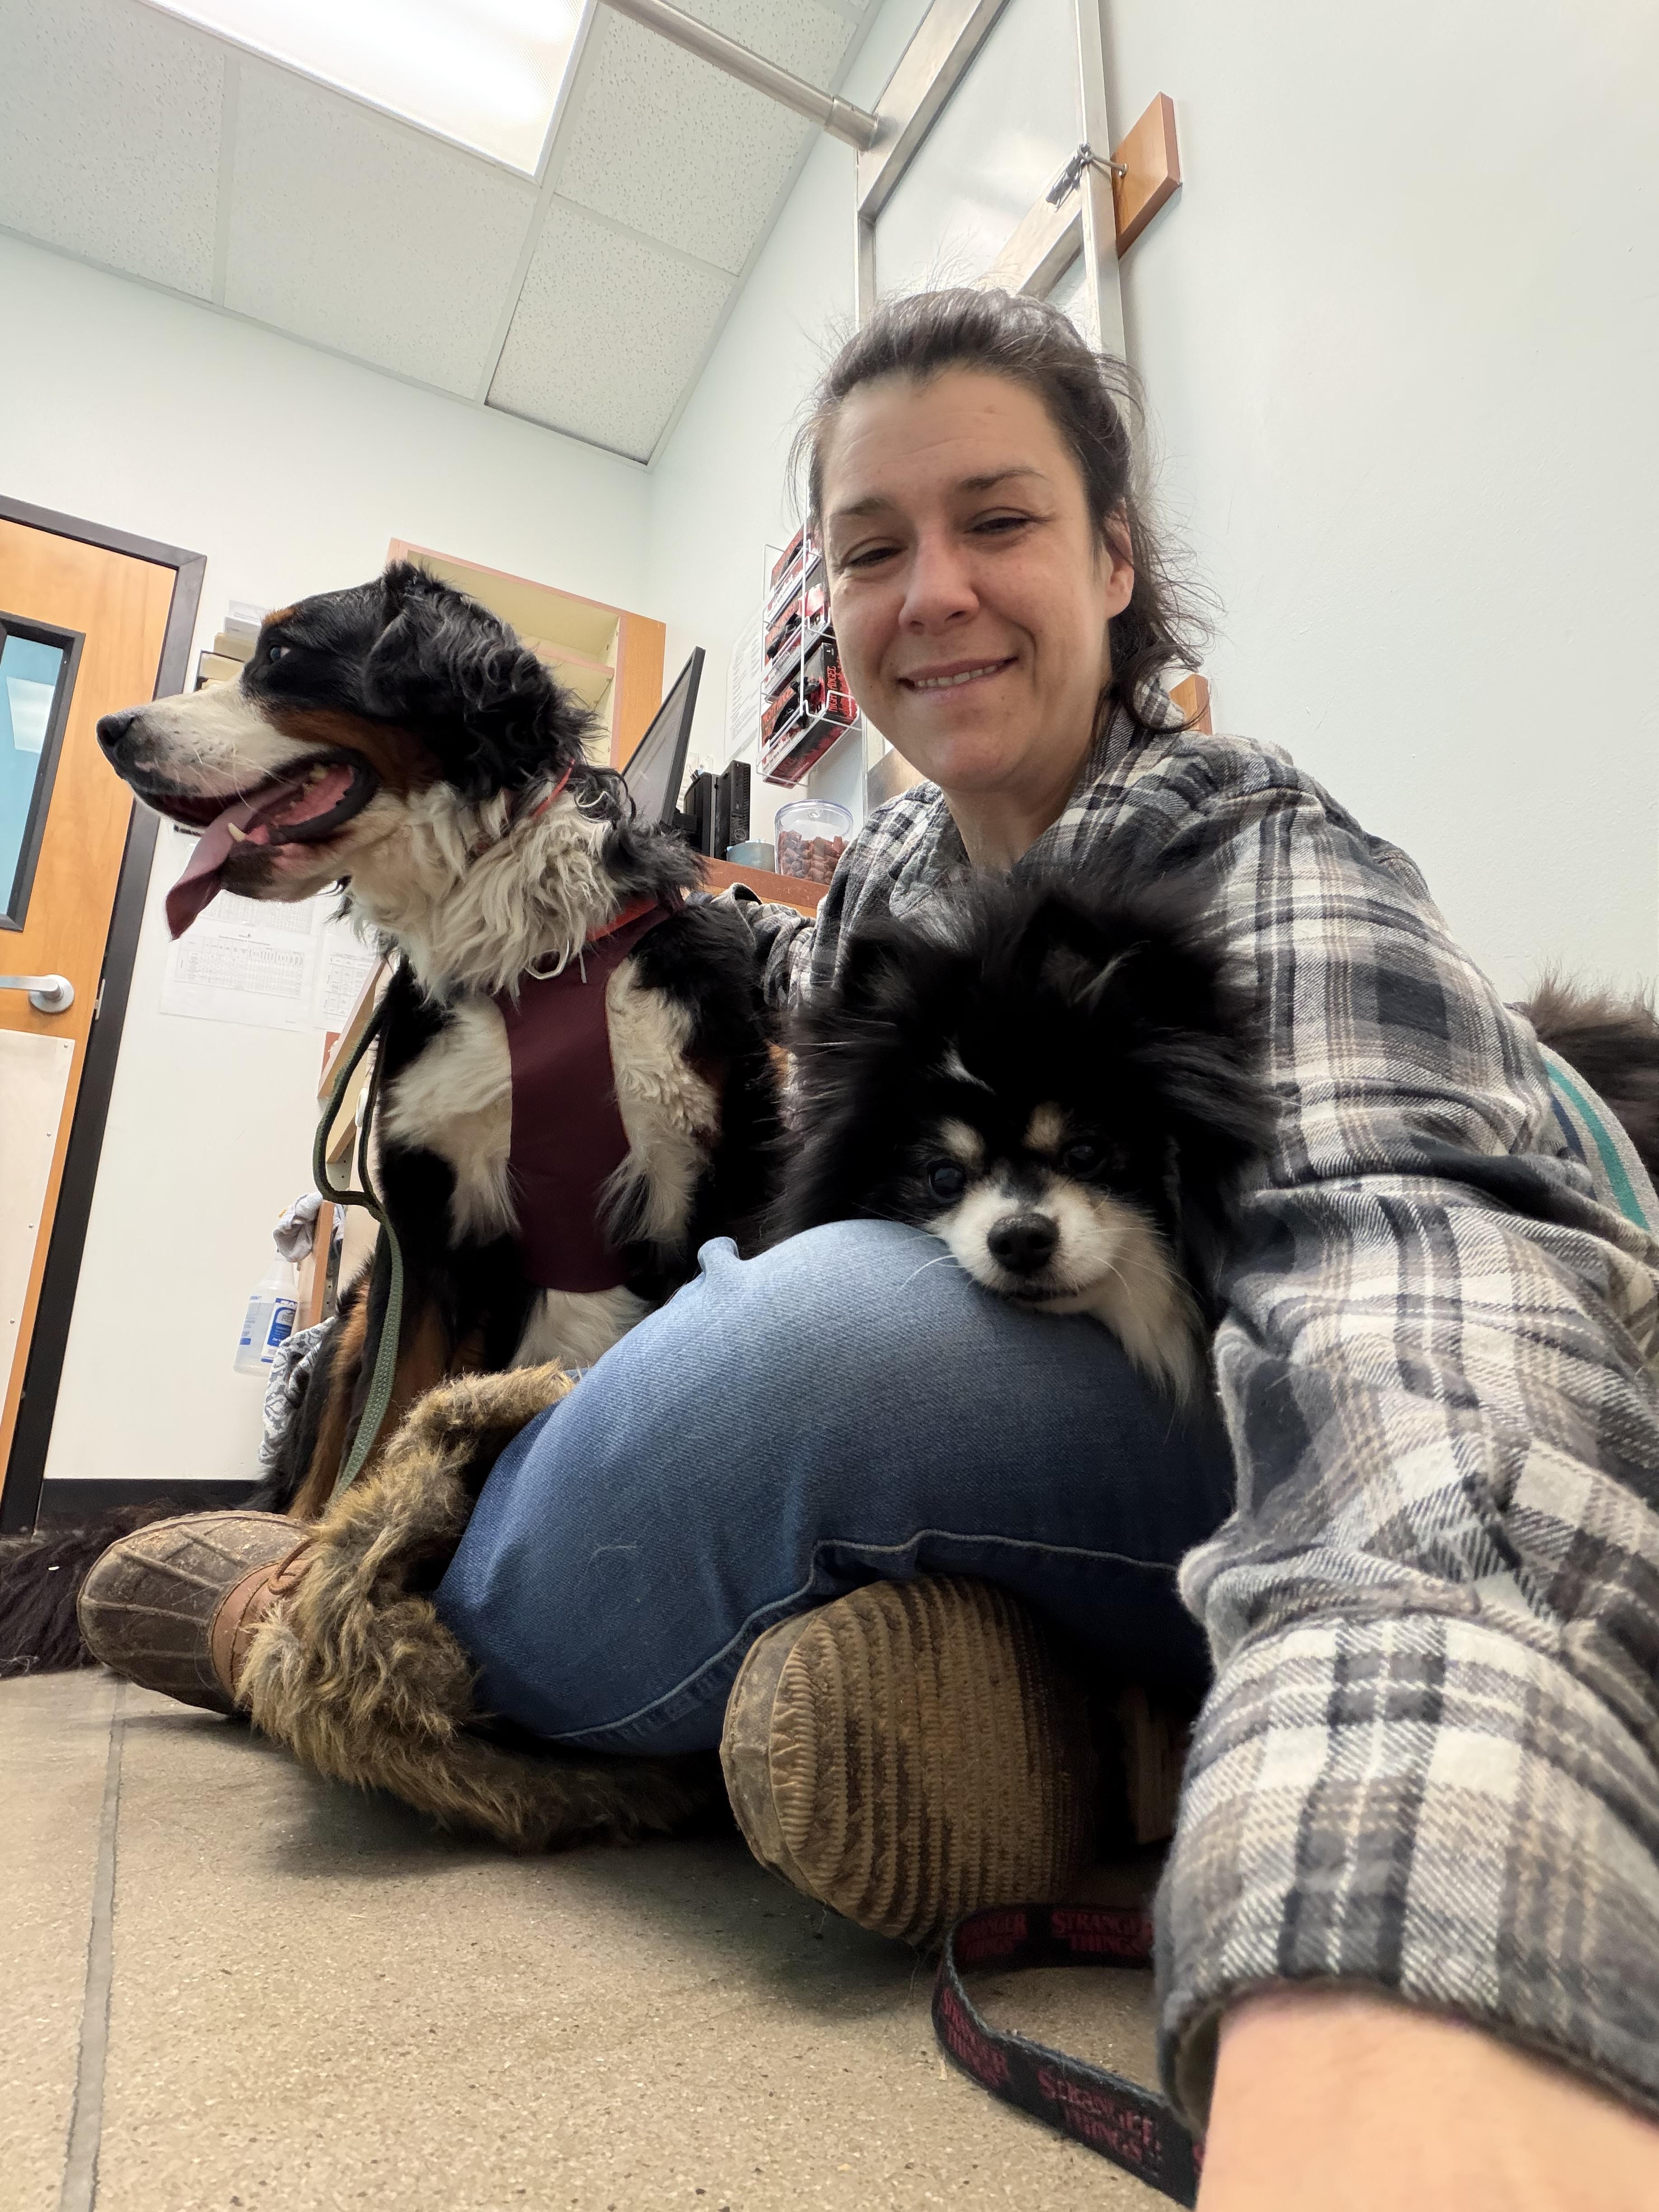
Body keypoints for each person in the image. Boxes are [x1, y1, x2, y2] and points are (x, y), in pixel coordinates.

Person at [82, 289, 1659, 2206]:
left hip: (1335, 1443)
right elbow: (764, 1059)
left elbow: (1420, 1311)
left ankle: (321, 1634)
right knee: (781, 1309)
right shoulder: (897, 877)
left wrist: (1421, 1944)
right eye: (871, 548)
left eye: (997, 521)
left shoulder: (1254, 853)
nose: (934, 594)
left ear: (1117, 560)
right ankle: (1078, 1731)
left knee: (804, 1344)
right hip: (1125, 1458)